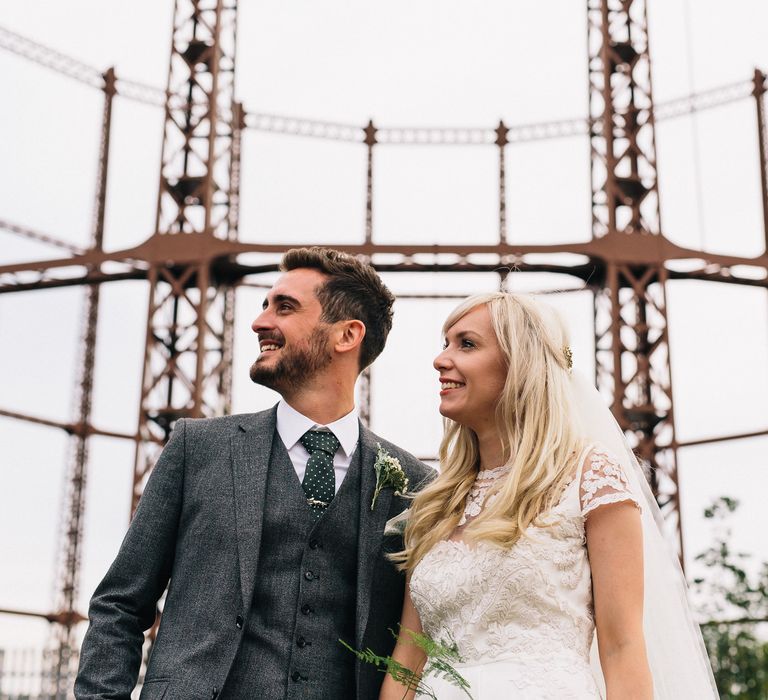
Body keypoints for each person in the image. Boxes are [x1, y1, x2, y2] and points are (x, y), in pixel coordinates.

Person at [75, 247, 433, 700]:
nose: (260, 322)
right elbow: (120, 604)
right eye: (265, 305)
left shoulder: (414, 484)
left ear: (348, 335)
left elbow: (415, 641)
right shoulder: (197, 448)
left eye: (284, 307)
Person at [381, 292, 718, 699]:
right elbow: (408, 657)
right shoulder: (437, 503)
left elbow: (622, 646)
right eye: (445, 343)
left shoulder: (589, 475)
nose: (441, 359)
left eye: (466, 343)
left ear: (520, 364)